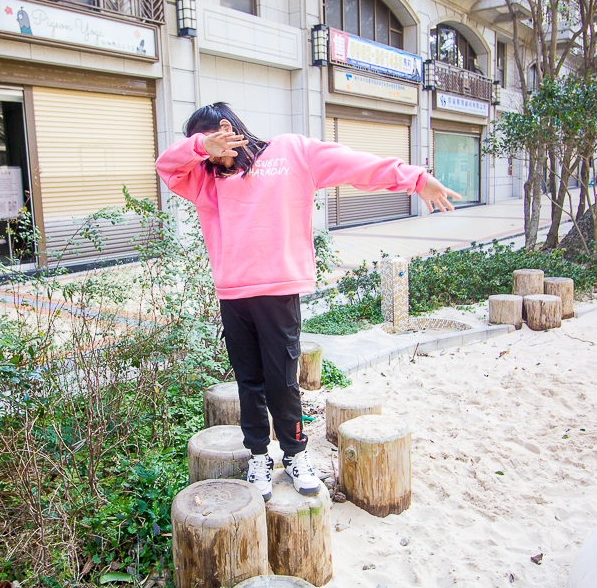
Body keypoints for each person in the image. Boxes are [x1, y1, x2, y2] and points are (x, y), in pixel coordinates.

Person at [156, 102, 460, 501]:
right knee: (248, 382)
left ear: (228, 129)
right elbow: (166, 166)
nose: (208, 153)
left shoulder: (291, 152)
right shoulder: (206, 177)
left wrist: (416, 178)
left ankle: (296, 454)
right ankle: (259, 457)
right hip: (233, 293)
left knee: (282, 381)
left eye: (211, 141)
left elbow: (354, 164)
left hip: (279, 290)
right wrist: (201, 148)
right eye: (201, 145)